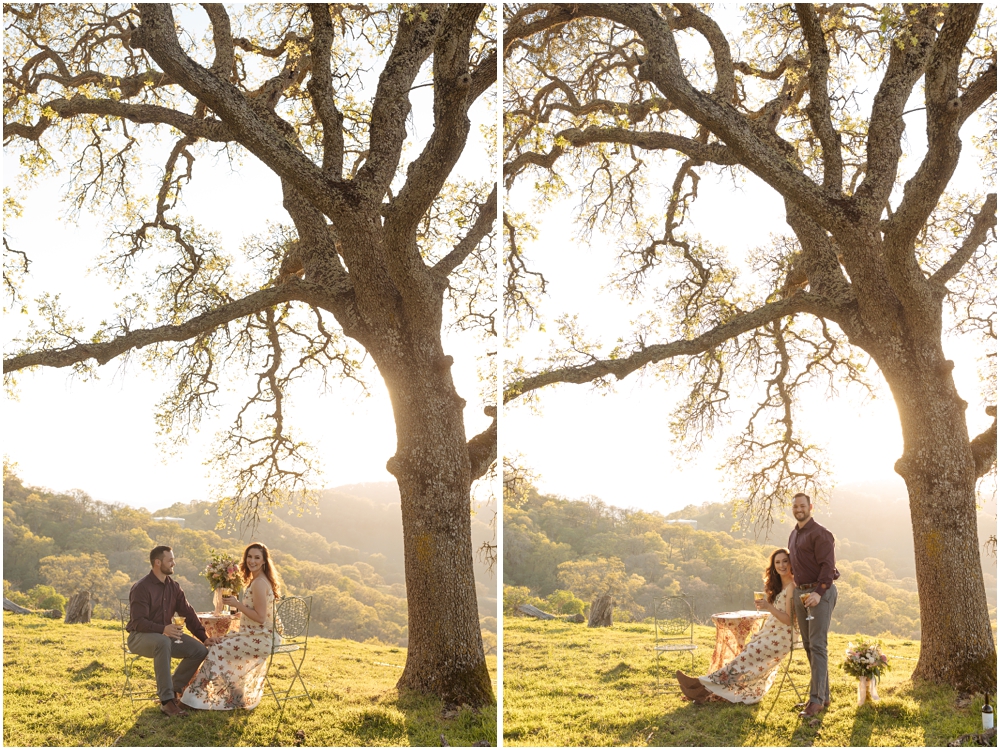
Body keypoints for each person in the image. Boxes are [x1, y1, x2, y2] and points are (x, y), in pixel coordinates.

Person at [675, 548, 796, 704]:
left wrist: (768, 606)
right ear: (773, 566)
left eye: (785, 561)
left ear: (791, 562)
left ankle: (700, 685)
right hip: (772, 635)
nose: (782, 565)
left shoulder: (792, 587)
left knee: (745, 658)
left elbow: (789, 620)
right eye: (777, 562)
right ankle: (703, 689)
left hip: (782, 638)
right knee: (744, 656)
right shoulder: (780, 587)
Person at [180, 543, 284, 710]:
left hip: (262, 638)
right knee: (218, 642)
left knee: (216, 650)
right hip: (255, 634)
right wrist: (239, 611)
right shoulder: (257, 580)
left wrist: (237, 604)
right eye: (249, 557)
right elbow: (256, 612)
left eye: (257, 557)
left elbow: (261, 617)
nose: (252, 561)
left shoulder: (259, 583)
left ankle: (196, 701)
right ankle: (236, 696)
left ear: (264, 561)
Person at [127, 546, 220, 717]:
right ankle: (166, 702)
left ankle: (175, 691)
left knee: (199, 650)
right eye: (170, 560)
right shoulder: (141, 587)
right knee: (162, 641)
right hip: (139, 637)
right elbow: (138, 622)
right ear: (157, 562)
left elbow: (188, 613)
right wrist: (163, 629)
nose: (174, 563)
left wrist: (204, 638)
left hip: (165, 637)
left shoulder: (174, 587)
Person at [788, 492, 839, 717]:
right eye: (795, 506)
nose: (798, 509)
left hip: (820, 593)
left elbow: (828, 568)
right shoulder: (793, 534)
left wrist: (818, 593)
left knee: (818, 645)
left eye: (802, 505)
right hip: (801, 593)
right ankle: (823, 696)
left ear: (810, 506)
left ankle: (815, 701)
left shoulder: (821, 534)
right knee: (809, 645)